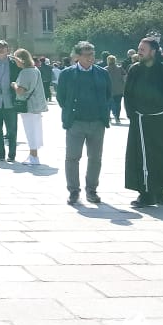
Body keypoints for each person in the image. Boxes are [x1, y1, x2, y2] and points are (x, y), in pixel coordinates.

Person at [56, 41, 111, 205]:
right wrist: (70, 113)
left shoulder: (102, 73)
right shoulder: (67, 74)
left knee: (95, 158)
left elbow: (108, 94)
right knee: (72, 157)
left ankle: (91, 190)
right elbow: (61, 96)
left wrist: (103, 114)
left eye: (92, 54)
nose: (90, 58)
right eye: (87, 55)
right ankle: (73, 191)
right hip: (76, 122)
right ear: (77, 56)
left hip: (97, 122)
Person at [123, 36, 163, 207]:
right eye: (139, 49)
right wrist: (132, 115)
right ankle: (144, 194)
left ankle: (160, 192)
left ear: (153, 51)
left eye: (143, 50)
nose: (139, 52)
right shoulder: (135, 69)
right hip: (141, 120)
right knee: (142, 158)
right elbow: (128, 94)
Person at [12, 48, 48, 164]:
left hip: (28, 105)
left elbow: (21, 90)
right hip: (36, 105)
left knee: (30, 130)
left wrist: (14, 85)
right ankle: (33, 154)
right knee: (36, 129)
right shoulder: (35, 69)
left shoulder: (25, 72)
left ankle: (33, 157)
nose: (15, 62)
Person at [106, 54, 126, 124]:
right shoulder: (120, 68)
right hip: (119, 90)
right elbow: (124, 78)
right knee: (118, 104)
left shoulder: (105, 69)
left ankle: (108, 118)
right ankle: (117, 117)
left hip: (109, 90)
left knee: (108, 104)